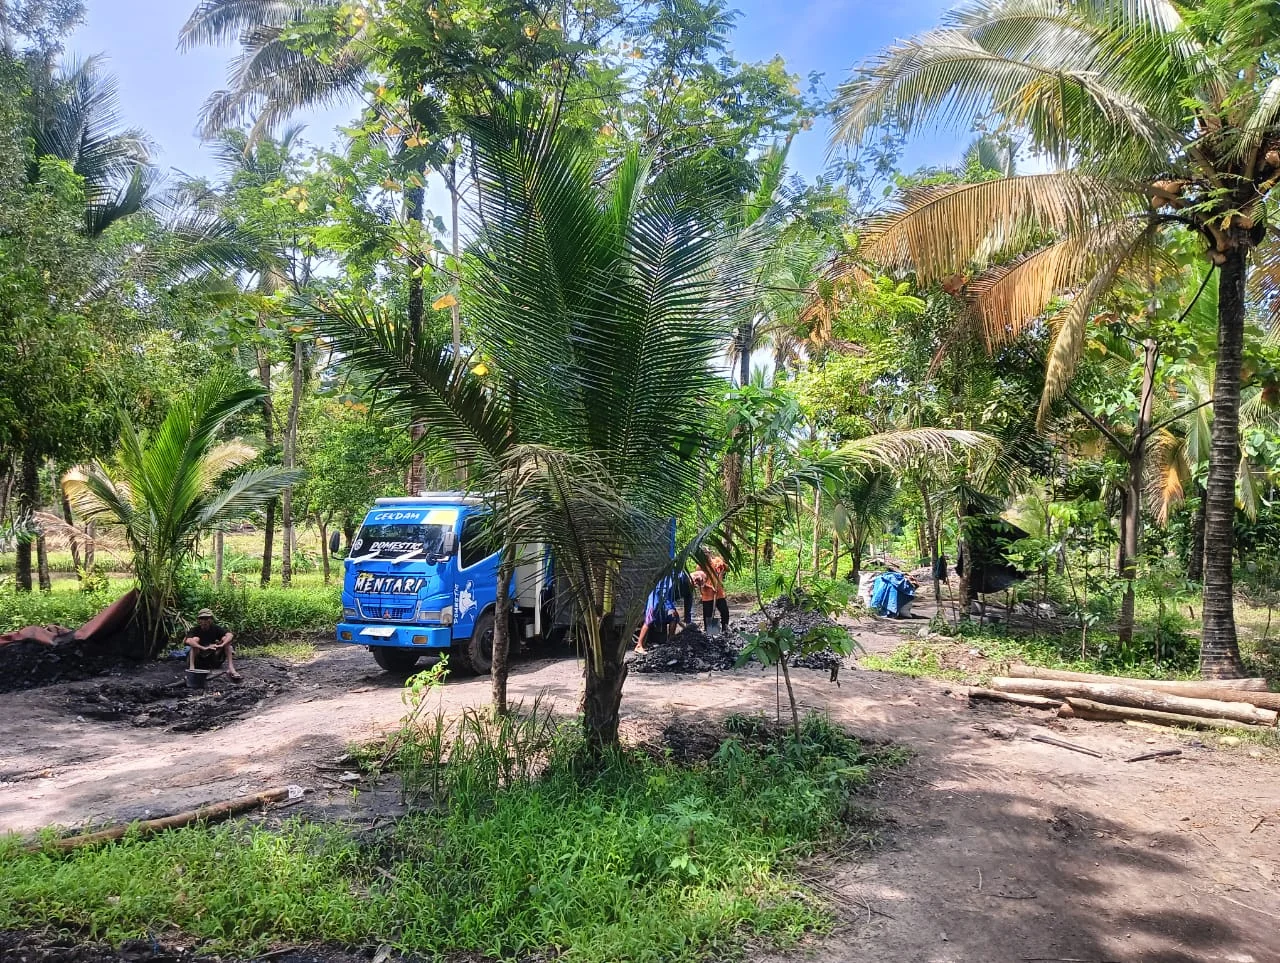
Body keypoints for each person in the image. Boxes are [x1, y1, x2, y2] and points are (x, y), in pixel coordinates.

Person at [184, 608, 241, 681]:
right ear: (198, 620)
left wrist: (221, 645)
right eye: (202, 618)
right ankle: (192, 668)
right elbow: (188, 641)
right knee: (195, 640)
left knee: (226, 640)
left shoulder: (215, 628)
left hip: (212, 658)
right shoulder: (195, 630)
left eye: (207, 618)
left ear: (211, 620)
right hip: (198, 658)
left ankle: (231, 668)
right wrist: (204, 648)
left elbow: (230, 635)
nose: (204, 621)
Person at [636, 575, 680, 654]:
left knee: (674, 617)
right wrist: (670, 607)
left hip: (662, 605)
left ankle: (670, 640)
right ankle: (639, 645)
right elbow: (663, 594)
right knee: (648, 621)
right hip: (653, 603)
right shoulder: (667, 578)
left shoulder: (671, 579)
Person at [698, 555, 731, 633]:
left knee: (724, 611)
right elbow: (700, 583)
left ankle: (724, 629)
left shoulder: (717, 560)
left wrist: (722, 564)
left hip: (719, 594)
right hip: (707, 595)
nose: (707, 557)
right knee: (708, 616)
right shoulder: (700, 566)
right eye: (705, 556)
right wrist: (710, 587)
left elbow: (727, 569)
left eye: (707, 555)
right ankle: (712, 633)